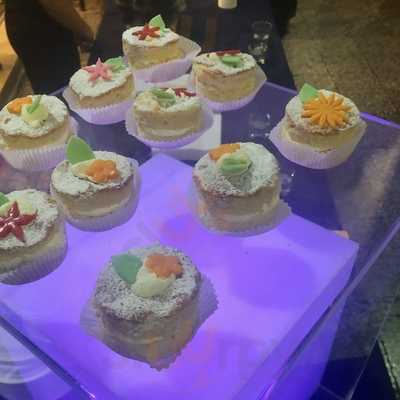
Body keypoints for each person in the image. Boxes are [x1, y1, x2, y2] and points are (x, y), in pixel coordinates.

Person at [5, 0, 94, 94]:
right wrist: (83, 30)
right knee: (62, 90)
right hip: (41, 29)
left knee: (62, 87)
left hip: (40, 21)